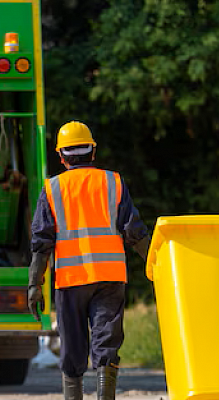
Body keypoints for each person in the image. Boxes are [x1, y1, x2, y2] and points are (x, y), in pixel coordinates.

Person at [28, 121, 150, 400]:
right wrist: (156, 262)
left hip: (70, 280)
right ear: (92, 152)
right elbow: (133, 231)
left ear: (61, 156)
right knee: (106, 341)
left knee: (72, 345)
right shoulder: (113, 182)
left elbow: (41, 243)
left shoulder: (52, 188)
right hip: (110, 276)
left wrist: (34, 284)